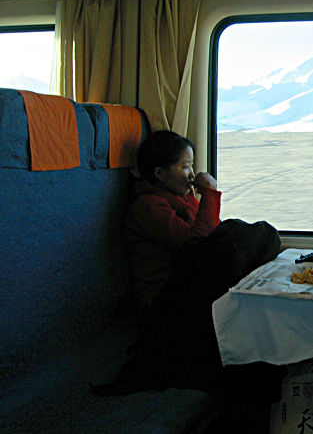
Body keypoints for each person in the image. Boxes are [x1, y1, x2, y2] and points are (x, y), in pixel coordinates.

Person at [93, 130, 285, 429]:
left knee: (257, 235)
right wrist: (209, 194)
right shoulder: (148, 208)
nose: (192, 174)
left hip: (187, 293)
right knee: (234, 235)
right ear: (159, 172)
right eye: (185, 167)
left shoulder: (180, 201)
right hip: (163, 307)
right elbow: (200, 249)